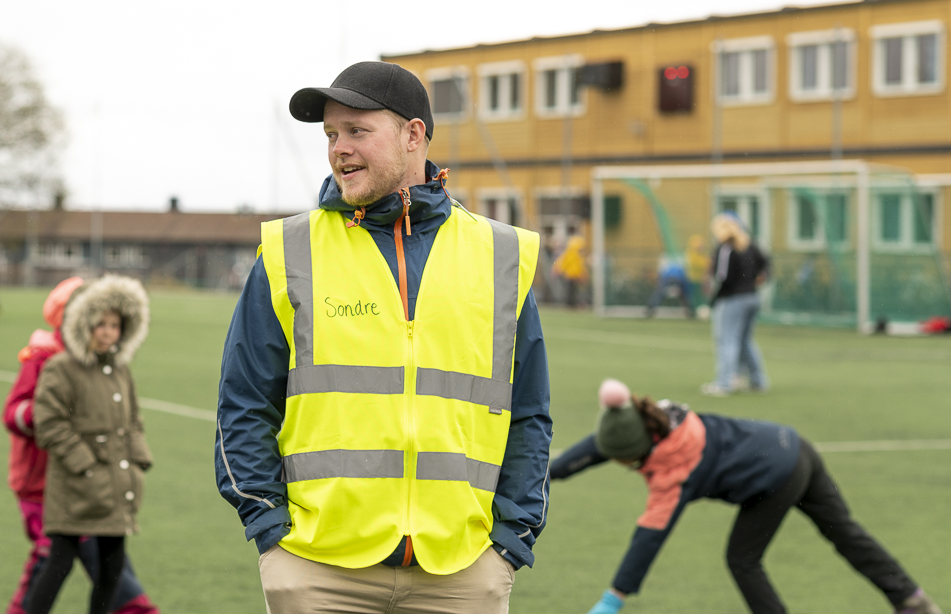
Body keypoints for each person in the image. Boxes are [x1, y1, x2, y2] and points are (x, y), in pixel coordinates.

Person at [215, 61, 551, 614]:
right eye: (330, 134)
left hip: (461, 571)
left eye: (356, 131)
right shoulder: (288, 250)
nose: (338, 149)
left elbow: (530, 412)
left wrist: (510, 543)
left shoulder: (501, 254)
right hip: (317, 568)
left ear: (413, 134)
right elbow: (243, 403)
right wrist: (270, 530)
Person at [550, 379, 942, 614]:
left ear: (640, 454)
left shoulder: (675, 472)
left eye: (626, 463)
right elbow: (606, 443)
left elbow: (649, 537)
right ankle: (912, 600)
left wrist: (613, 598)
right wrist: (553, 471)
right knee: (845, 533)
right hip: (796, 446)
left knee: (742, 559)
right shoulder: (659, 416)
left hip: (777, 477)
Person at [3, 277, 159, 614]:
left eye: (115, 325)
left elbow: (131, 418)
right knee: (56, 561)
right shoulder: (52, 362)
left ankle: (134, 607)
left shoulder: (116, 368)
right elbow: (30, 417)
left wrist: (137, 457)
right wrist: (83, 457)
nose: (107, 331)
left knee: (111, 563)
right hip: (59, 481)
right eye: (100, 322)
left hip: (108, 481)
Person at [701, 212, 769, 396]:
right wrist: (761, 278)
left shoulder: (726, 248)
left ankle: (724, 383)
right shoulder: (750, 245)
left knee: (726, 341)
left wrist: (711, 303)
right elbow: (766, 264)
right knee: (745, 341)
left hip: (733, 300)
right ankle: (758, 381)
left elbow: (722, 279)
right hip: (752, 298)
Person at [552, 236, 590, 308]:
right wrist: (558, 270)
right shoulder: (571, 254)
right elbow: (564, 263)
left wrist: (583, 275)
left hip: (575, 276)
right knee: (571, 290)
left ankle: (573, 303)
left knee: (574, 291)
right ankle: (570, 303)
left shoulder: (576, 255)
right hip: (570, 275)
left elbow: (580, 267)